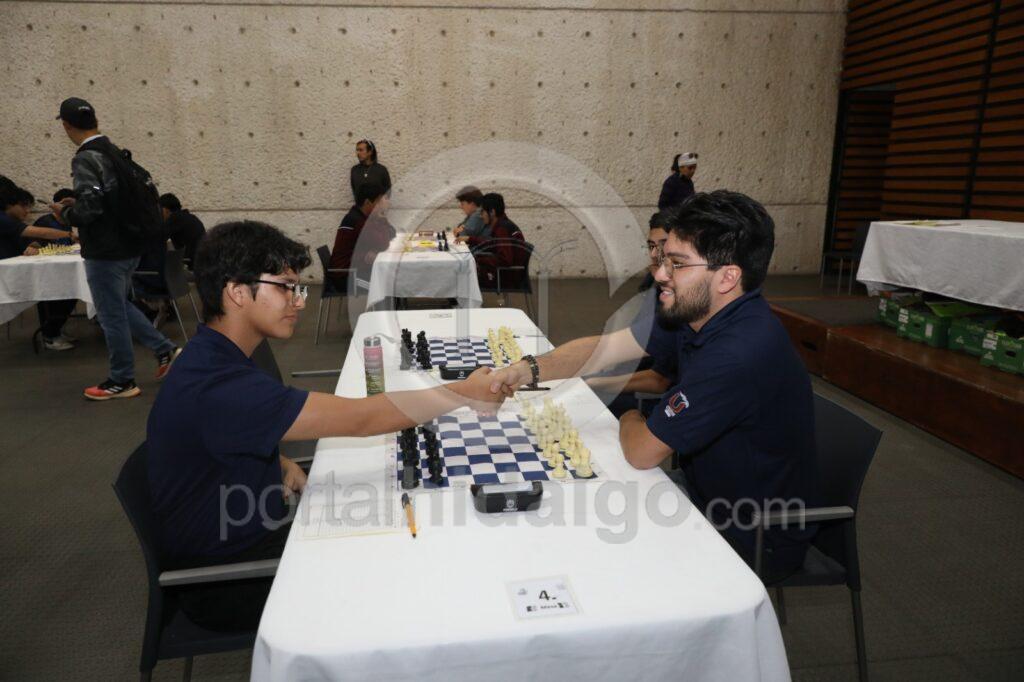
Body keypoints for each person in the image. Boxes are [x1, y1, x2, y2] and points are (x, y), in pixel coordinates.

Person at [147, 219, 502, 630]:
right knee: (410, 560)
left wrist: (277, 461)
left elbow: (216, 436)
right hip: (228, 580)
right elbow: (362, 419)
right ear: (237, 292)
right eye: (285, 287)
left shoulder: (211, 354)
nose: (299, 302)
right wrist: (464, 392)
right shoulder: (220, 384)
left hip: (243, 531)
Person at [488, 191, 818, 583]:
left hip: (750, 532)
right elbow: (605, 348)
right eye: (663, 259)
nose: (660, 273)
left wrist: (629, 413)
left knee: (578, 540)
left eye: (677, 263)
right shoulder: (695, 312)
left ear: (728, 277)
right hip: (704, 493)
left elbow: (643, 452)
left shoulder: (738, 353)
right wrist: (527, 369)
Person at [50, 97, 180, 400]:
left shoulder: (86, 158)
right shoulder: (115, 153)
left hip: (105, 250)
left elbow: (90, 210)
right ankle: (165, 349)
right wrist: (80, 202)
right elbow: (109, 198)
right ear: (95, 120)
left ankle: (122, 380)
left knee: (110, 315)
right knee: (118, 305)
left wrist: (65, 213)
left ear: (66, 126)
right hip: (131, 245)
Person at [584, 212, 676, 417]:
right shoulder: (656, 289)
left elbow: (659, 380)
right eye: (651, 246)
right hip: (627, 374)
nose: (655, 254)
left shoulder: (679, 304)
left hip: (649, 399)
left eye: (663, 246)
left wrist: (599, 383)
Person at [1, 186, 81, 350]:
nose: (28, 211)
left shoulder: (13, 222)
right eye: (23, 206)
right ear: (9, 204)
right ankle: (50, 334)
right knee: (58, 288)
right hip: (9, 274)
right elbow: (39, 236)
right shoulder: (6, 220)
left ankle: (53, 330)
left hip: (18, 269)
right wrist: (68, 235)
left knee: (67, 285)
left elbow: (29, 244)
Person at [329, 181, 394, 289]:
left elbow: (391, 232)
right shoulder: (358, 221)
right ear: (368, 202)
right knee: (391, 280)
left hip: (353, 270)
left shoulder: (361, 216)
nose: (384, 204)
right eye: (380, 201)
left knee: (391, 276)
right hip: (347, 276)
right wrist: (381, 218)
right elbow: (383, 243)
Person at [459, 193, 529, 290]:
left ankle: (462, 299)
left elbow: (505, 260)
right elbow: (493, 244)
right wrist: (470, 239)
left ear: (492, 212)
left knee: (461, 274)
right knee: (464, 269)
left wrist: (477, 259)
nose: (481, 215)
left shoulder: (502, 229)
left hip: (505, 277)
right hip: (507, 274)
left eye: (483, 211)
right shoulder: (502, 224)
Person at [159, 193, 206, 269]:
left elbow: (158, 239)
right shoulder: (188, 217)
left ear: (165, 210)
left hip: (191, 264)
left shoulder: (174, 219)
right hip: (200, 261)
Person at [349, 139, 391, 203]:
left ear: (370, 152)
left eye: (361, 150)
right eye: (357, 150)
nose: (358, 153)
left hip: (378, 208)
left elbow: (388, 192)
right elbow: (355, 190)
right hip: (360, 208)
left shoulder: (381, 170)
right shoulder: (355, 170)